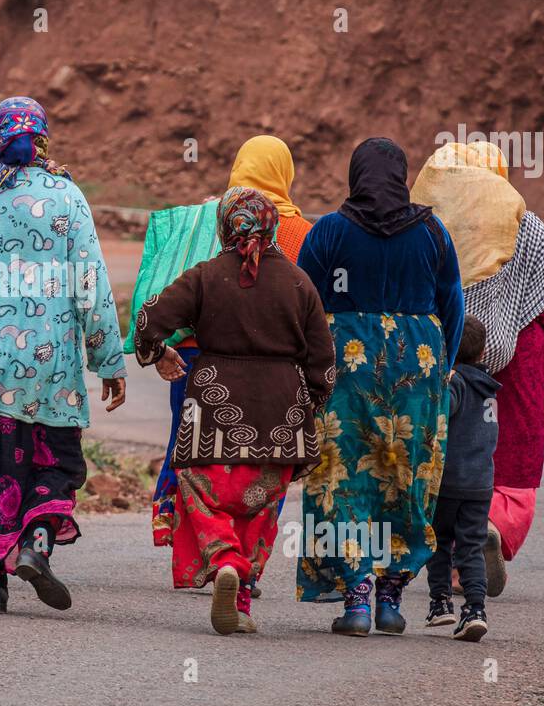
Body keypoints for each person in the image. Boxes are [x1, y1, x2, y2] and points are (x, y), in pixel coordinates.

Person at [0, 97, 127, 615]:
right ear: (42, 138)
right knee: (52, 458)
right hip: (48, 363)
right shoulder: (67, 195)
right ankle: (37, 543)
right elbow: (90, 282)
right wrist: (108, 359)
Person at [133, 188, 335, 634]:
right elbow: (324, 362)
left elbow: (148, 320)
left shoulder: (205, 275)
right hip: (281, 415)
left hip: (213, 407)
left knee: (203, 489)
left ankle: (223, 559)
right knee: (260, 503)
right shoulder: (300, 283)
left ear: (225, 226)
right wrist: (311, 408)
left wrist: (158, 353)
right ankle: (241, 596)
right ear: (273, 226)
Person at [296, 137, 464, 637]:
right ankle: (391, 596)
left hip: (346, 366)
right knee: (406, 476)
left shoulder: (329, 230)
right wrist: (443, 364)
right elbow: (451, 304)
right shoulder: (433, 232)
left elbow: (302, 300)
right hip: (418, 363)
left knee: (342, 474)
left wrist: (305, 367)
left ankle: (357, 599)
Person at [127, 135, 313, 557]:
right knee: (265, 455)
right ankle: (243, 551)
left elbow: (156, 311)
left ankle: (197, 541)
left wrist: (154, 350)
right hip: (274, 366)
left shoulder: (217, 217)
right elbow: (313, 320)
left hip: (195, 354)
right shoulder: (299, 233)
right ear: (285, 173)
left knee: (194, 448)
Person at [412, 141, 544, 595]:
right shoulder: (531, 226)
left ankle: (458, 555)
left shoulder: (438, 221)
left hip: (454, 351)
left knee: (452, 449)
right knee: (515, 455)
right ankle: (494, 530)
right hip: (521, 351)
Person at [425, 315, 498, 642]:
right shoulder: (491, 391)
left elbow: (443, 415)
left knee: (439, 541)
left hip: (448, 481)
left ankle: (441, 602)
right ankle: (476, 609)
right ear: (482, 353)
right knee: (471, 547)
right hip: (480, 484)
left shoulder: (455, 383)